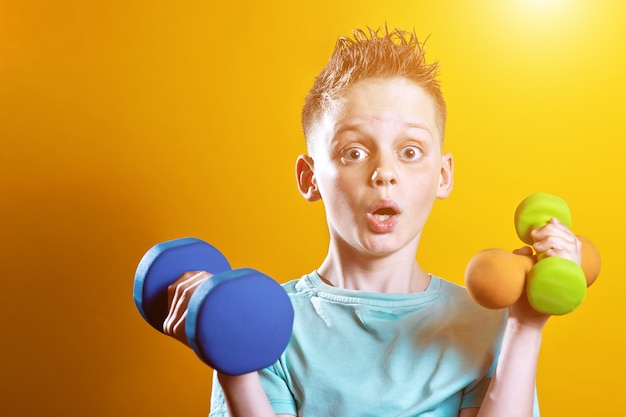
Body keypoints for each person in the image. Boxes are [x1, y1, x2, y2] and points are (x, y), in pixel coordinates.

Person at [163, 26, 582, 417]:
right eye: (354, 152)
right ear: (310, 178)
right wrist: (232, 361)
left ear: (443, 175)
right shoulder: (260, 323)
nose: (385, 172)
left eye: (411, 151)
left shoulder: (487, 324)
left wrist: (526, 327)